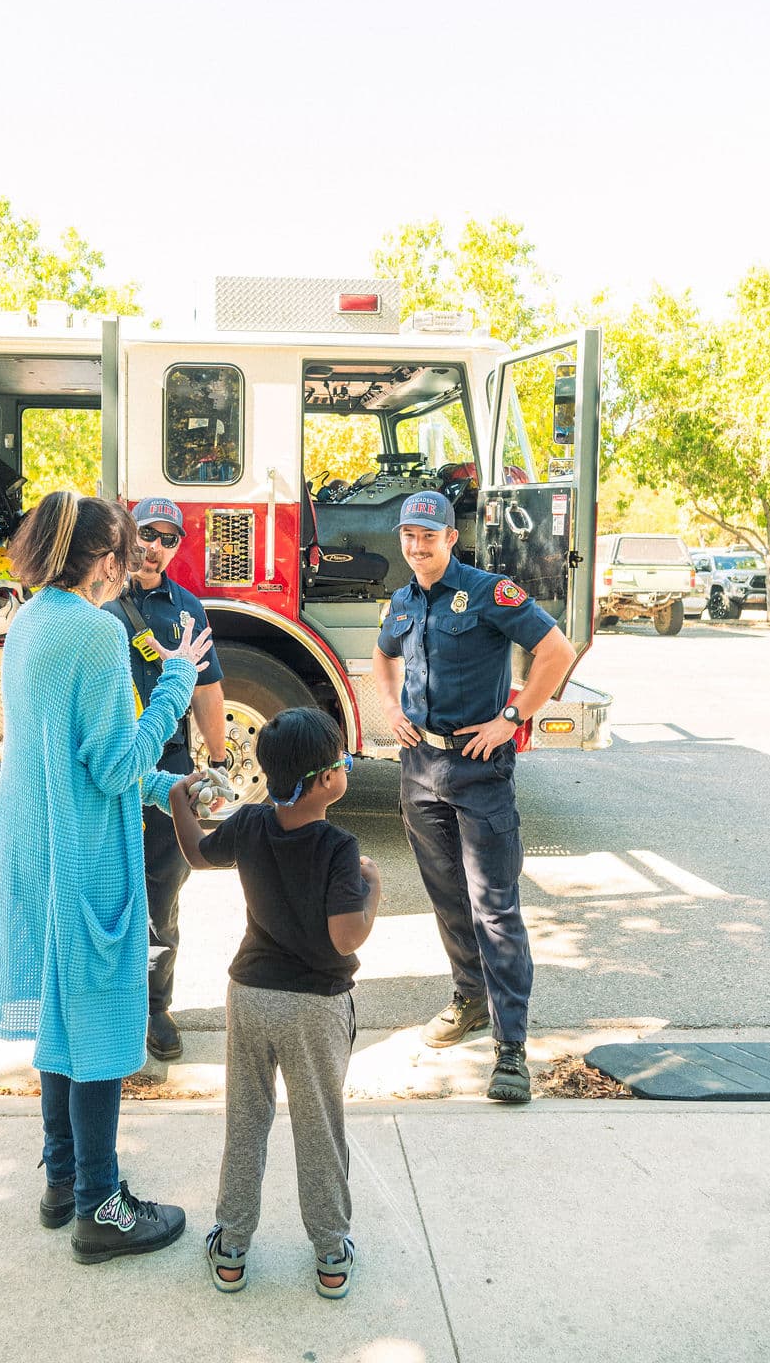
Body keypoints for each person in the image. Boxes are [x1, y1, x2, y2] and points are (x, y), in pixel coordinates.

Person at [0, 490, 215, 1264]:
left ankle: (62, 1179)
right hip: (83, 850)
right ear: (107, 560)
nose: (134, 564)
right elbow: (116, 763)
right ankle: (100, 1205)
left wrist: (165, 788)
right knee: (96, 1027)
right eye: (126, 552)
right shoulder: (93, 631)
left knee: (58, 1016)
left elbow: (76, 753)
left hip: (33, 842)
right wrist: (178, 683)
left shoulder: (29, 622)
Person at [168, 707, 382, 1299]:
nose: (344, 769)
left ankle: (232, 1249)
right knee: (319, 1128)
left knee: (246, 1122)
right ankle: (332, 1256)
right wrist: (374, 891)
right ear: (323, 781)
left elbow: (198, 855)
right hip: (315, 1005)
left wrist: (182, 801)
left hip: (252, 996)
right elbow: (345, 936)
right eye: (339, 762)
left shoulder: (254, 823)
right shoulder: (340, 847)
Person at [371, 490, 576, 1104]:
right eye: (409, 535)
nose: (417, 545)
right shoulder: (402, 600)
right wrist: (389, 708)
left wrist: (512, 717)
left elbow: (556, 652)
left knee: (495, 907)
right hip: (420, 767)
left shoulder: (490, 592)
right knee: (448, 898)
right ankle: (469, 998)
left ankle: (511, 1048)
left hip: (479, 766)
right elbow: (382, 658)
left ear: (450, 538)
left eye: (428, 536)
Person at [105, 495, 227, 1063]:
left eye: (168, 539)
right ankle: (108, 1003)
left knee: (162, 891)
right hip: (103, 769)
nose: (154, 547)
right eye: (146, 534)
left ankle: (155, 1007)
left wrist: (219, 761)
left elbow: (205, 687)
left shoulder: (187, 609)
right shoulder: (96, 604)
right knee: (103, 888)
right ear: (126, 538)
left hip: (168, 766)